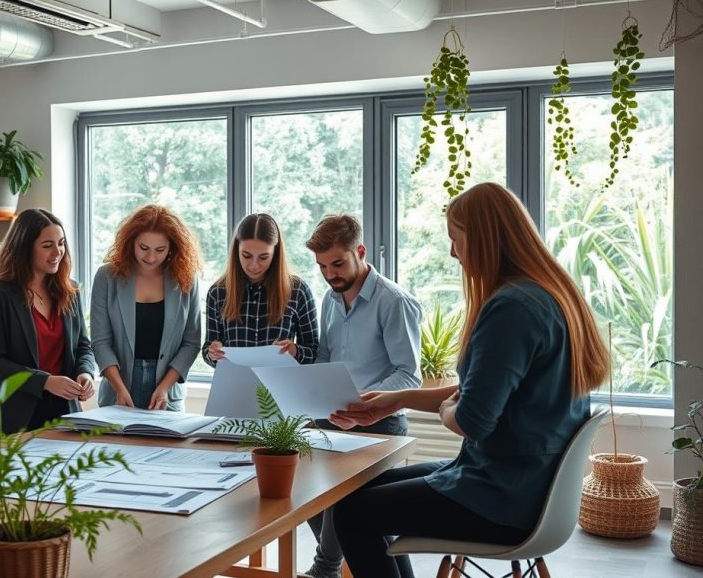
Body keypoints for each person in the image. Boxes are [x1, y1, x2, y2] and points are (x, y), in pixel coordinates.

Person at [329, 182, 609, 578]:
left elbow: (470, 419)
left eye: (456, 239)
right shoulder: (549, 294)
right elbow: (479, 391)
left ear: (485, 239)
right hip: (528, 485)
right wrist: (398, 399)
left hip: (502, 497)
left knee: (352, 512)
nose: (452, 252)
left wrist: (448, 410)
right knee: (361, 489)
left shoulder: (510, 309)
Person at [302, 214, 423, 578]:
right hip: (333, 418)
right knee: (299, 488)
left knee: (351, 507)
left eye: (337, 263)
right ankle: (332, 567)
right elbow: (325, 359)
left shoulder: (394, 302)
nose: (329, 274)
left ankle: (325, 568)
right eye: (322, 266)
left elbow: (409, 377)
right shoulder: (330, 298)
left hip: (379, 423)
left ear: (360, 251)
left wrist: (364, 404)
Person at [0, 208, 96, 436]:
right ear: (25, 248)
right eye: (47, 245)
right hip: (10, 418)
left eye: (61, 243)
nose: (58, 252)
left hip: (63, 413)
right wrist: (45, 382)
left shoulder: (69, 290)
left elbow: (83, 345)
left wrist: (85, 373)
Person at [91, 205, 203, 411]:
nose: (151, 257)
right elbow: (100, 342)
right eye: (144, 248)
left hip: (166, 393)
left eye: (160, 250)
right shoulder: (106, 277)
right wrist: (120, 388)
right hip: (118, 389)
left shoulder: (186, 280)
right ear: (130, 242)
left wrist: (164, 387)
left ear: (172, 247)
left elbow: (191, 342)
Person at [202, 213, 318, 368]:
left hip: (280, 388)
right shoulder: (218, 292)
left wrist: (294, 350)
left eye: (263, 257)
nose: (254, 265)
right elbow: (207, 350)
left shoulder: (298, 291)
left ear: (275, 254)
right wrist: (212, 353)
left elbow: (314, 351)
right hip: (235, 387)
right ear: (236, 251)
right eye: (246, 256)